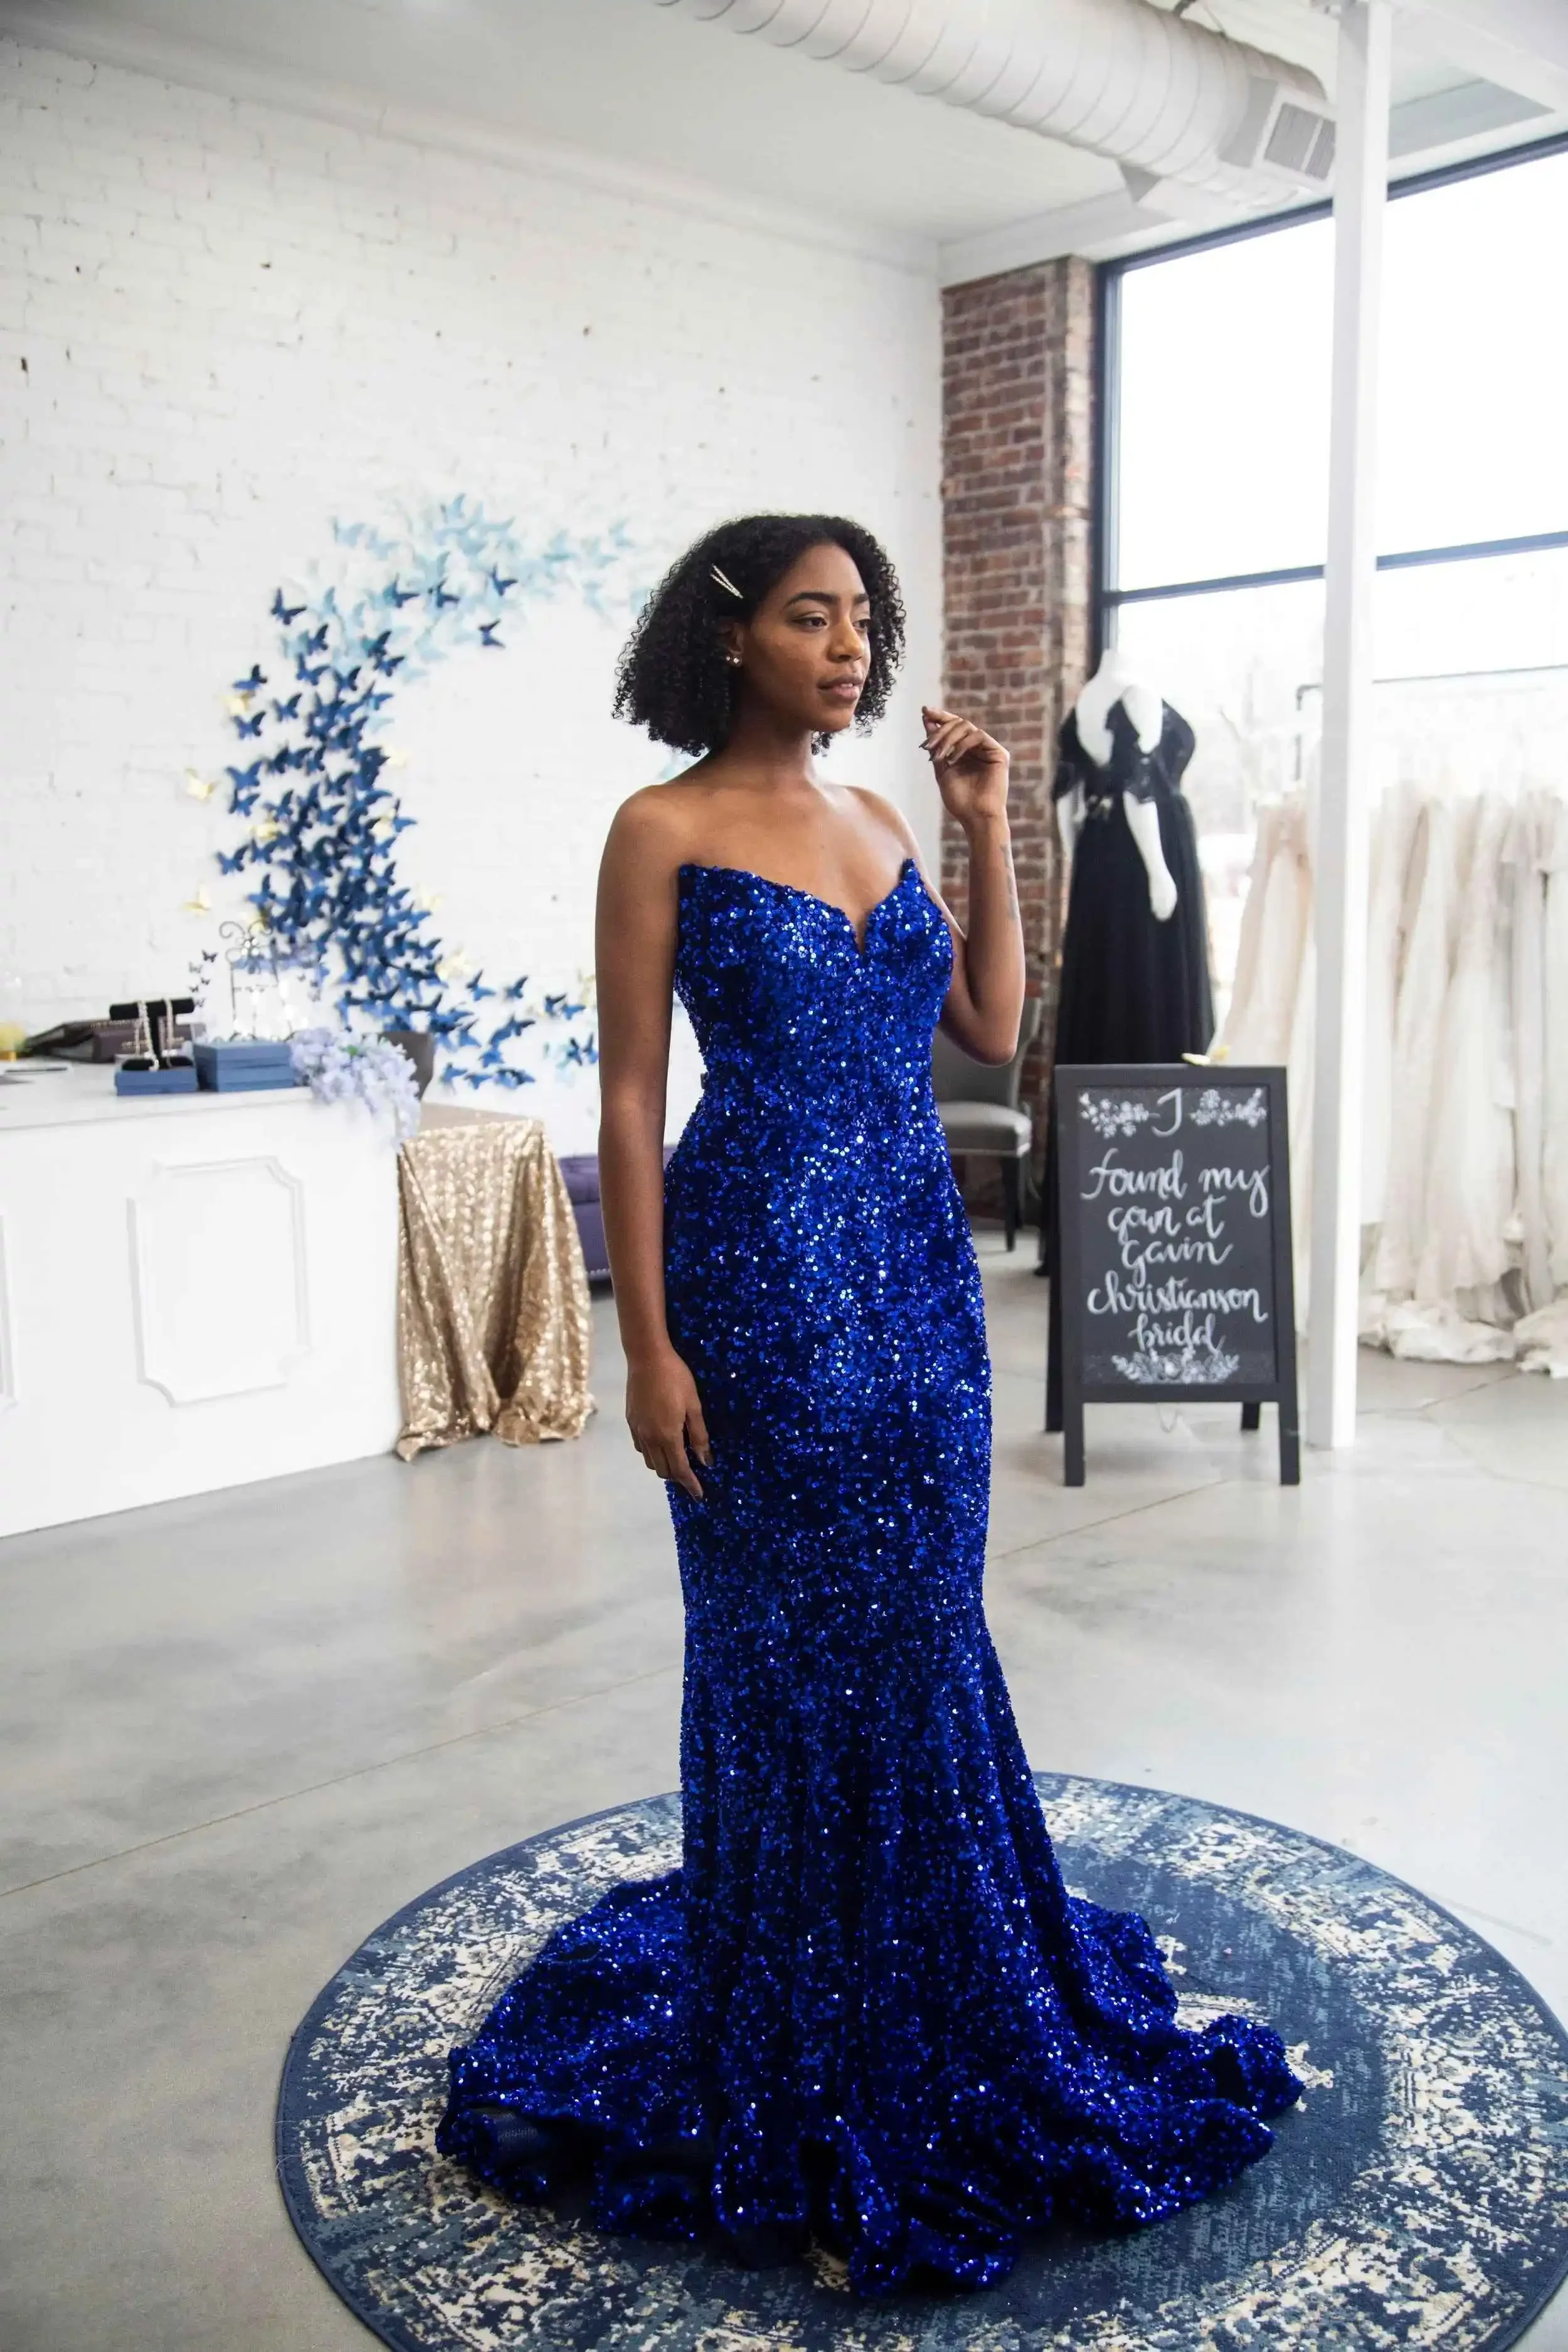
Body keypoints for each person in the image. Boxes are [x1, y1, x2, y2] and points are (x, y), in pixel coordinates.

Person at [438, 513, 1298, 2293]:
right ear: (730, 633)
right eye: (812, 617)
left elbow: (985, 1026)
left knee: (917, 1629)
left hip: (916, 1292)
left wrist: (987, 828)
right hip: (756, 1290)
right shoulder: (660, 829)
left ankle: (937, 1972)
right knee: (780, 1648)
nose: (848, 647)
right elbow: (620, 1100)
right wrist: (644, 1343)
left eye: (862, 620)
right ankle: (796, 2013)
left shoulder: (890, 817)